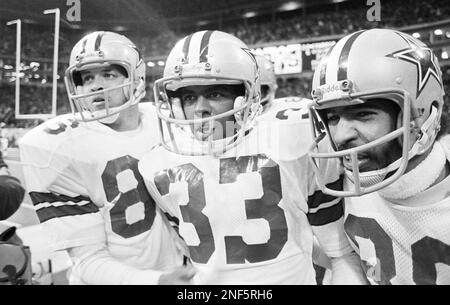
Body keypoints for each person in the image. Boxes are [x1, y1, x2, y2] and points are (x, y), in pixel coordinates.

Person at [139, 30, 366, 284]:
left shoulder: (294, 138)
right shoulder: (157, 164)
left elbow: (339, 253)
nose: (200, 109)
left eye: (215, 94)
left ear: (248, 95)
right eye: (189, 97)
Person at [19, 31, 193, 285]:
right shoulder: (59, 147)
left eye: (108, 75)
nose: (95, 86)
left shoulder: (167, 121)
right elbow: (88, 261)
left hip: (179, 270)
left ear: (136, 78)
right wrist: (157, 281)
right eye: (87, 77)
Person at [308, 28, 450, 284]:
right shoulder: (344, 181)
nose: (341, 136)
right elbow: (348, 258)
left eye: (363, 114)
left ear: (424, 114)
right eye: (333, 117)